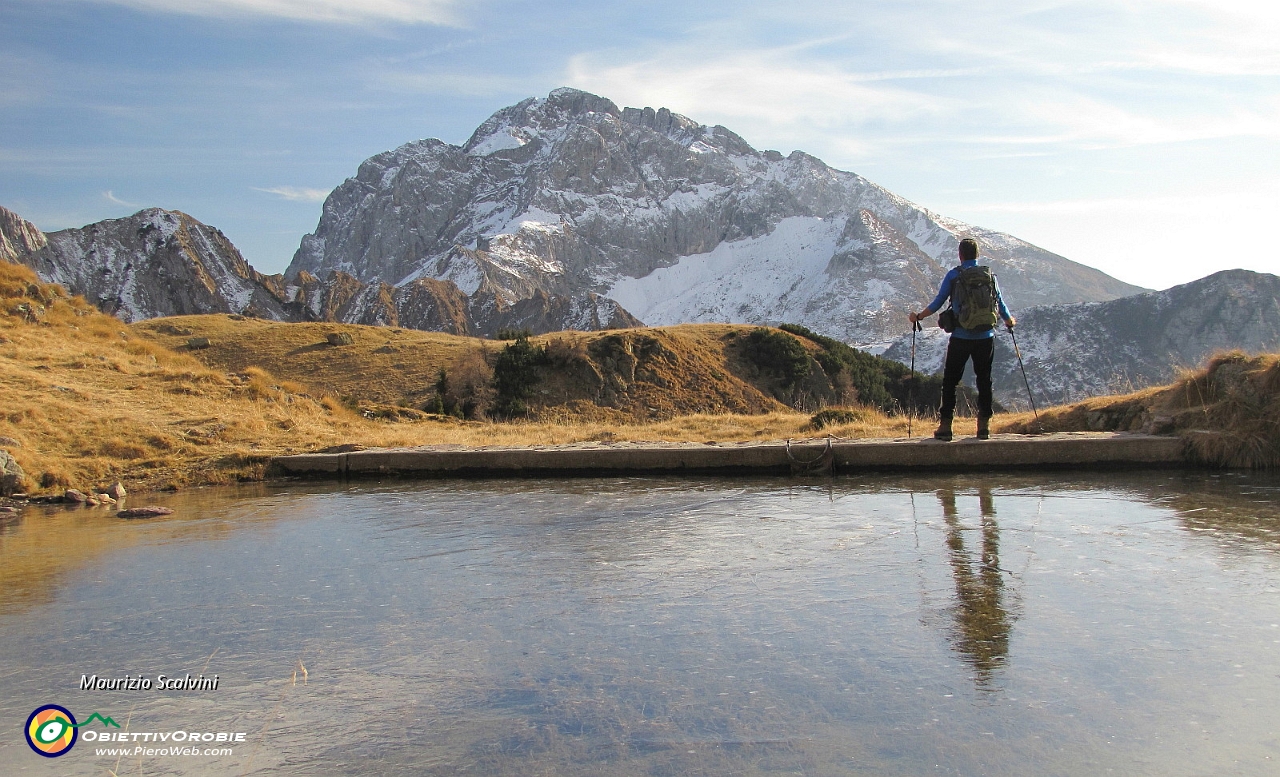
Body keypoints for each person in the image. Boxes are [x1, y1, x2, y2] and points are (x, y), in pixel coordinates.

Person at [908, 238, 1015, 441]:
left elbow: (938, 302)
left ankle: (946, 427)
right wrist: (1009, 320)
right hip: (986, 337)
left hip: (961, 337)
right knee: (984, 380)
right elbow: (1000, 302)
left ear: (960, 255)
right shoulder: (989, 275)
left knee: (950, 381)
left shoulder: (955, 275)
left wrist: (919, 317)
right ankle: (984, 427)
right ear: (977, 254)